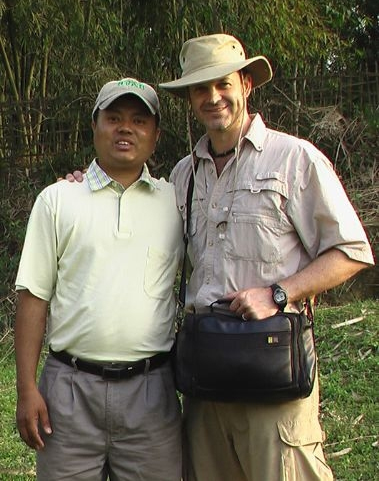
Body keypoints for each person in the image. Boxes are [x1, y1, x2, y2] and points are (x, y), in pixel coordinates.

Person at [157, 34, 375, 481]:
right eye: (200, 89)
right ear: (190, 99)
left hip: (273, 377)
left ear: (247, 85)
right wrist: (86, 180)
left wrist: (279, 293)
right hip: (206, 384)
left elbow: (351, 251)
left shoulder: (294, 159)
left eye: (223, 84)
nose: (213, 97)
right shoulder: (183, 175)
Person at [14, 78, 183, 480]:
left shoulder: (176, 201)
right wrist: (26, 389)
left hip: (151, 392)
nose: (126, 128)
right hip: (69, 393)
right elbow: (33, 297)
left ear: (155, 136)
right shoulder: (57, 201)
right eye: (114, 118)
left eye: (139, 120)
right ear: (95, 126)